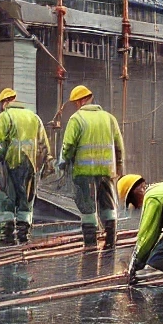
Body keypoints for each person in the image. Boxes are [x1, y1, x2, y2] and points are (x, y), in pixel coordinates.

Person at [57, 84, 125, 249]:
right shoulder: (110, 118)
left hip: (83, 170)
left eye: (75, 102)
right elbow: (119, 146)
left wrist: (63, 163)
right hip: (107, 170)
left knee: (86, 205)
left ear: (80, 101)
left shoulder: (77, 119)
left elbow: (68, 145)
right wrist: (119, 167)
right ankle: (110, 241)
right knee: (108, 203)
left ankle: (90, 243)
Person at [0, 88, 52, 245]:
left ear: (6, 101)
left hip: (11, 162)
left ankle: (8, 234)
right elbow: (43, 143)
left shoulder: (6, 116)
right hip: (30, 163)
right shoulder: (34, 117)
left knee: (8, 197)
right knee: (26, 198)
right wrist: (44, 161)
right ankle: (24, 233)